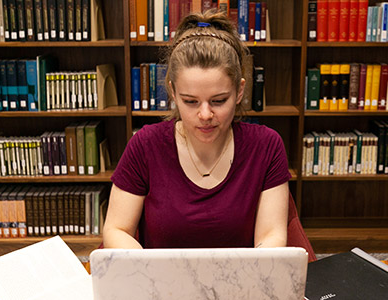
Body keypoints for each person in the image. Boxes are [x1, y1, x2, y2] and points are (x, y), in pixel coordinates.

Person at [103, 10, 290, 249]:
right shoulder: (145, 144)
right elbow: (116, 229)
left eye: (219, 100)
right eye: (190, 102)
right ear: (173, 92)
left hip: (241, 283)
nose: (205, 115)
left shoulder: (266, 146)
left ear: (240, 91)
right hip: (161, 283)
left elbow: (271, 238)